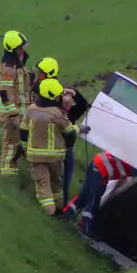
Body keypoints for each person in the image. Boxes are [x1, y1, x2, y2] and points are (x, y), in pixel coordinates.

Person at [30, 56, 91, 202]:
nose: (38, 75)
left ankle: (54, 208)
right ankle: (58, 209)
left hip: (51, 147)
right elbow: (82, 107)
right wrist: (75, 94)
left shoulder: (44, 96)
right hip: (59, 148)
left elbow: (81, 108)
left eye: (41, 72)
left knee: (54, 183)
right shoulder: (50, 97)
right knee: (60, 184)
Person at [19, 78, 79, 215]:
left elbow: (23, 131)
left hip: (36, 157)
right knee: (57, 186)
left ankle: (48, 212)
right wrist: (80, 128)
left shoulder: (31, 110)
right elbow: (70, 131)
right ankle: (57, 211)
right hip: (55, 157)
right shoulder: (56, 113)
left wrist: (24, 148)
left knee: (43, 186)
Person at [65, 150, 137, 236]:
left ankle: (67, 212)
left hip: (97, 161)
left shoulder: (132, 156)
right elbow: (129, 179)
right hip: (101, 170)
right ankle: (85, 228)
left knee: (84, 195)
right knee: (94, 201)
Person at [0, 30, 31, 177]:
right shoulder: (9, 68)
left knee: (20, 145)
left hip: (22, 114)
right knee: (11, 146)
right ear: (13, 49)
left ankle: (16, 173)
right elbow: (5, 93)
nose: (23, 50)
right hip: (13, 115)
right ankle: (8, 176)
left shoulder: (18, 66)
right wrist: (13, 115)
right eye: (20, 48)